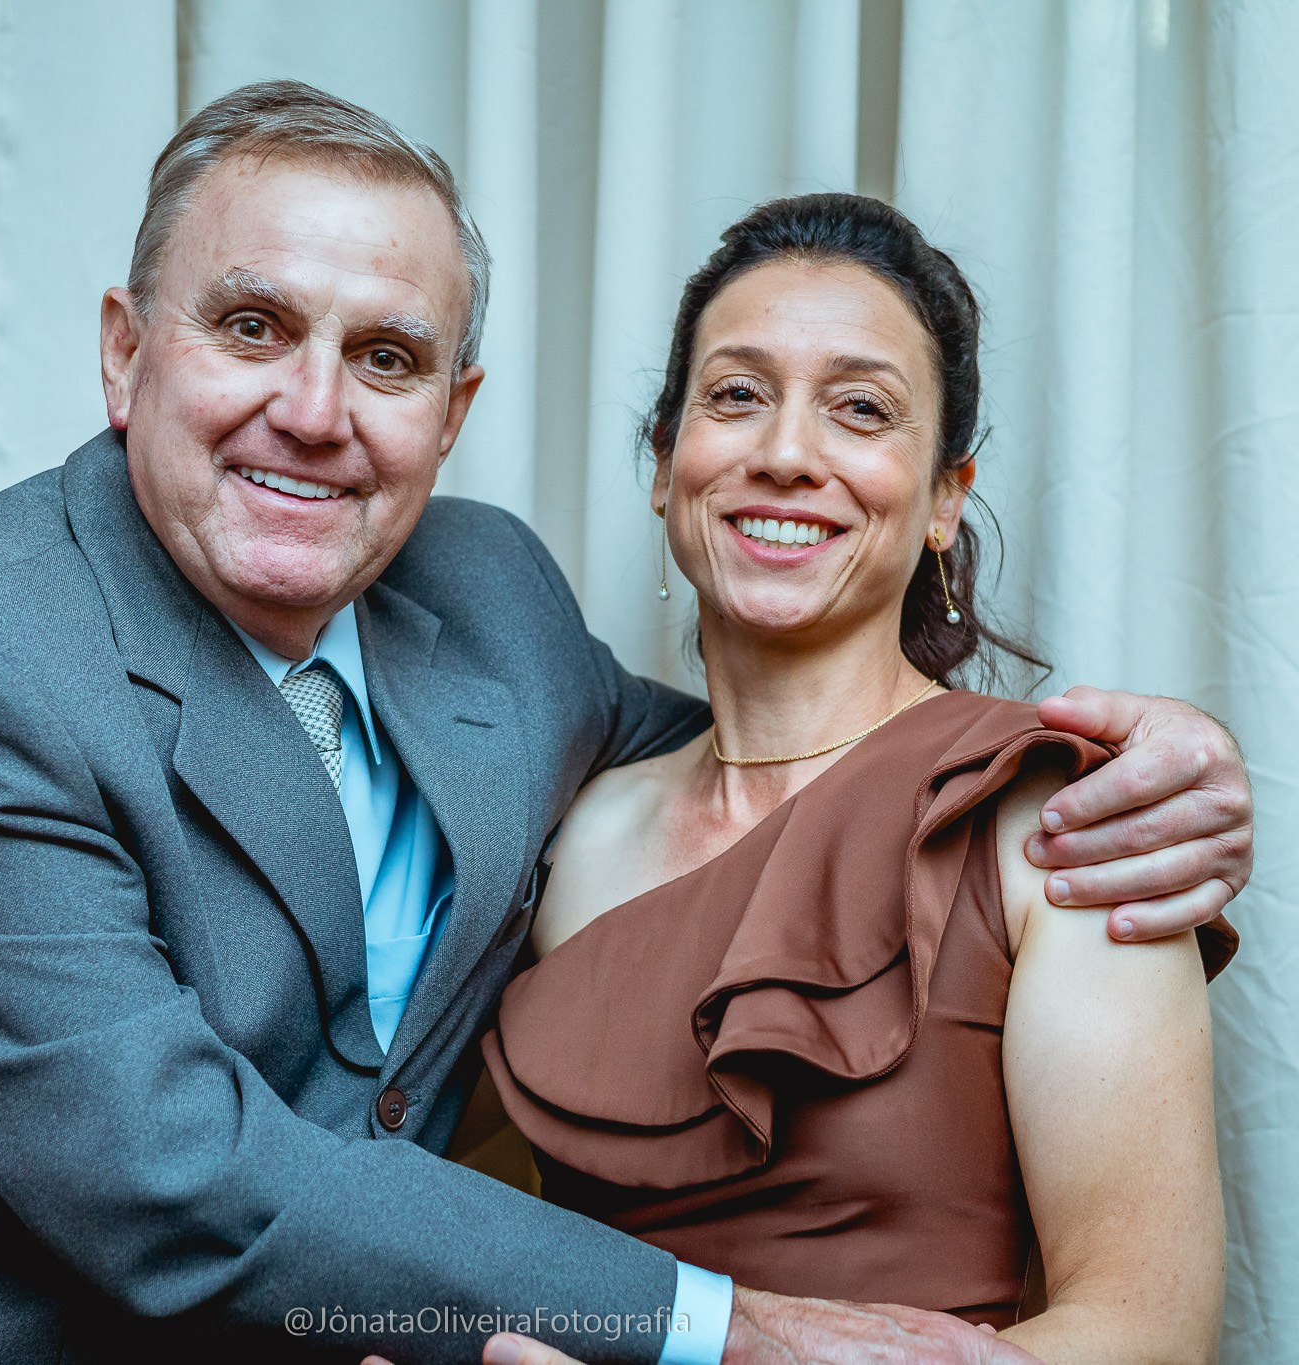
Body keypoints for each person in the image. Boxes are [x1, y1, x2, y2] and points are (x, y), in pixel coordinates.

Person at [0, 82, 1251, 1365]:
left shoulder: (491, 601)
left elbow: (776, 776)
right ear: (121, 348)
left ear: (457, 407)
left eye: (385, 357)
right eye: (249, 326)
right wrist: (743, 1334)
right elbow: (180, 1171)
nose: (314, 408)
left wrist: (1152, 757)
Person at [466, 194, 1230, 1365]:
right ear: (664, 465)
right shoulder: (569, 828)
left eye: (859, 410)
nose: (784, 452)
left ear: (942, 500)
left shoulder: (1053, 820)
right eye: (733, 395)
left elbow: (1152, 1331)